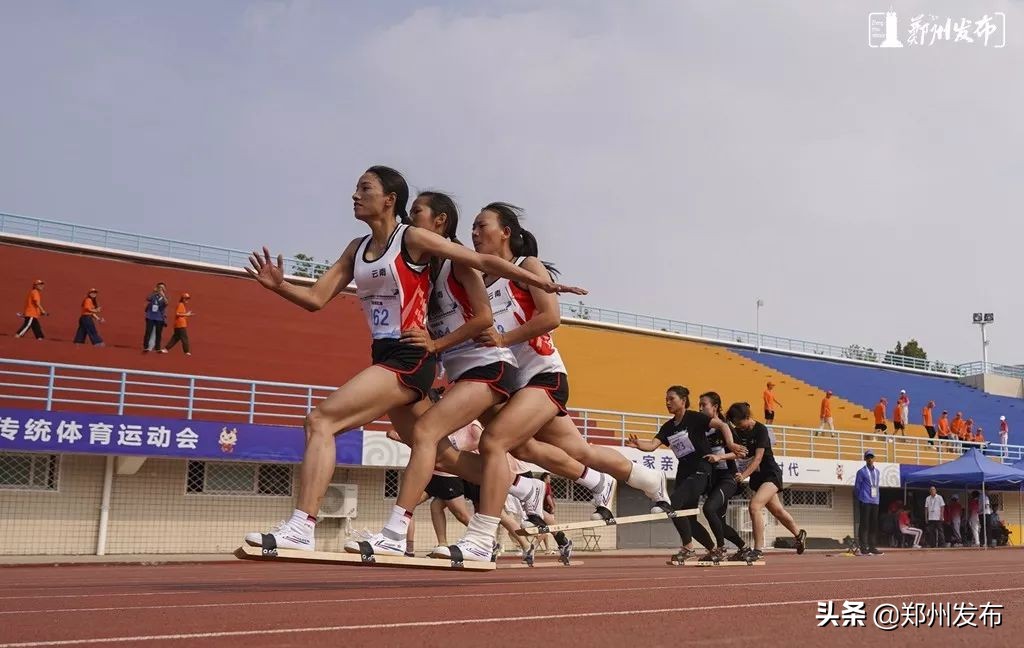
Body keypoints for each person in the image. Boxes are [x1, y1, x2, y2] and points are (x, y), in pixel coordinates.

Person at [243, 166, 581, 553]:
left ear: (390, 199)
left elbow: (481, 262)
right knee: (442, 454)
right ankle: (523, 486)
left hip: (410, 357)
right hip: (388, 353)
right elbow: (316, 299)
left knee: (322, 420)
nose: (355, 195)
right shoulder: (356, 249)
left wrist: (542, 282)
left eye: (364, 188)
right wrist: (280, 286)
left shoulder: (412, 239)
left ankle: (306, 526)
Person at [434, 203, 668, 563]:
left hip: (544, 375)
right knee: (566, 451)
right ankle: (642, 479)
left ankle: (482, 536)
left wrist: (502, 339)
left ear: (505, 232)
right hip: (513, 384)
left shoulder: (527, 266)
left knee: (495, 441)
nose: (475, 233)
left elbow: (551, 316)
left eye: (482, 226)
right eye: (473, 228)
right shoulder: (478, 279)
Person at [627, 386, 737, 563]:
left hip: (701, 469)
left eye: (671, 399)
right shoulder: (668, 427)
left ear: (683, 400)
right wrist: (639, 444)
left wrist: (730, 444)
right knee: (687, 517)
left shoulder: (695, 417)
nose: (667, 402)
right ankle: (713, 550)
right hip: (684, 472)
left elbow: (723, 425)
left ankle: (688, 548)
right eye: (666, 399)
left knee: (673, 503)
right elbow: (652, 445)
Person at [726, 402, 806, 563]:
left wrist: (743, 475)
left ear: (747, 417)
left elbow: (757, 459)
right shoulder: (738, 431)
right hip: (757, 478)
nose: (738, 427)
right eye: (735, 424)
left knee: (754, 506)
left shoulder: (761, 430)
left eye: (739, 423)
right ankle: (799, 534)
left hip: (770, 475)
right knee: (777, 511)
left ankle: (758, 550)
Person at [697, 391, 749, 561]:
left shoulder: (724, 427)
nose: (700, 408)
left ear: (715, 407)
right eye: (699, 405)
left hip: (728, 478)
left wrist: (720, 457)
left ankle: (720, 549)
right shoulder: (702, 429)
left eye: (704, 405)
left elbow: (741, 453)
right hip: (713, 480)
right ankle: (744, 548)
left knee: (708, 509)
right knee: (719, 522)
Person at [854, 450, 883, 555]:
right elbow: (857, 487)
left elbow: (876, 486)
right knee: (864, 525)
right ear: (865, 459)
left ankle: (872, 547)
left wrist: (877, 498)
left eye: (871, 457)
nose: (870, 459)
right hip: (865, 500)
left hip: (875, 501)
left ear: (874, 458)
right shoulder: (861, 472)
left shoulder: (877, 472)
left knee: (873, 525)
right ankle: (863, 547)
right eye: (868, 457)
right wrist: (860, 498)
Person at [143, 282, 169, 353]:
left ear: (165, 289)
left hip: (159, 317)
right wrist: (154, 292)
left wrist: (163, 295)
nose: (161, 289)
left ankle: (157, 348)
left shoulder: (165, 297)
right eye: (159, 287)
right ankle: (146, 346)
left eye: (162, 288)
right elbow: (148, 298)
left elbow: (166, 303)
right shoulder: (153, 296)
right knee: (148, 332)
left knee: (158, 333)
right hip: (150, 316)